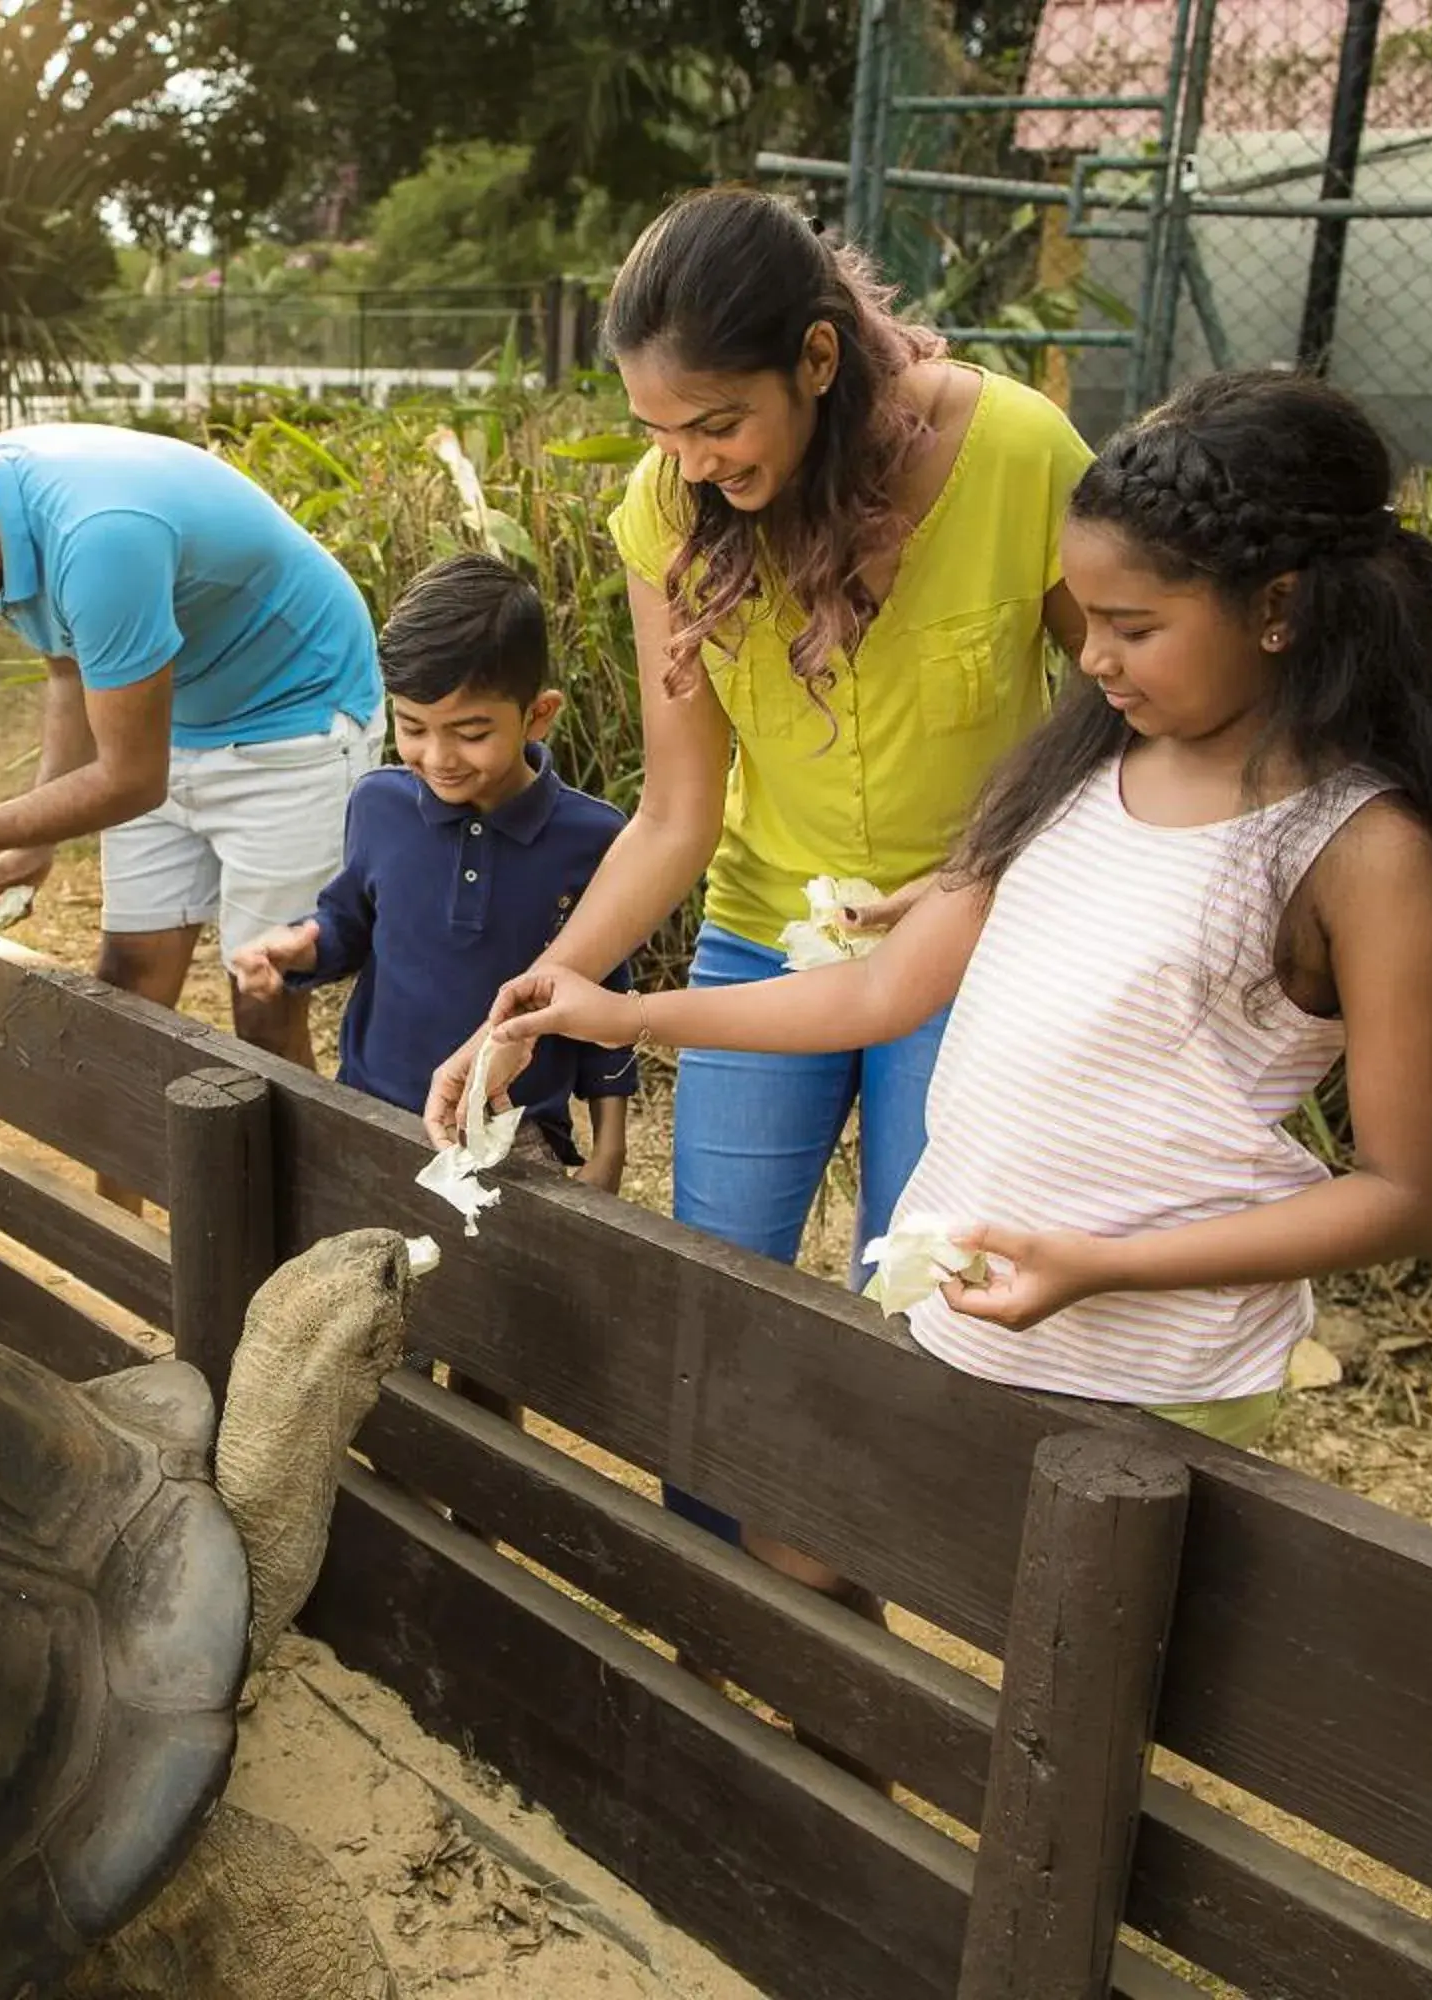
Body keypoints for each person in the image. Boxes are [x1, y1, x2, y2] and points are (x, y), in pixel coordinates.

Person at [474, 369, 1432, 1449]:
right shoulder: (1085, 762)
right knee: (806, 1547)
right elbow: (884, 989)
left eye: (1132, 625)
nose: (1092, 655)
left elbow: (1414, 1193)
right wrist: (620, 1013)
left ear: (1279, 607)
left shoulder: (1367, 855)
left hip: (1149, 1372)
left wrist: (1101, 1267)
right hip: (967, 1312)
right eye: (1091, 617)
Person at [422, 185, 1094, 1582]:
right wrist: (549, 992)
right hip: (757, 935)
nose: (691, 463)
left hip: (978, 950)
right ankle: (718, 1623)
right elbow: (678, 812)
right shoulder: (666, 507)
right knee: (710, 1301)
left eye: (717, 424)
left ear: (820, 359)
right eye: (661, 431)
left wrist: (1011, 871)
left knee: (908, 1317)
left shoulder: (1021, 453)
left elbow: (1122, 707)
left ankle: (858, 1630)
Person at [0, 386, 383, 1101]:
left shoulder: (98, 534)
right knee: (127, 985)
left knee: (262, 1004)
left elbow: (131, 780)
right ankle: (112, 1215)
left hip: (295, 720)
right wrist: (38, 829)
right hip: (175, 717)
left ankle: (303, 1217)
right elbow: (68, 663)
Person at [230, 552, 637, 1422]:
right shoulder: (379, 802)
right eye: (412, 725)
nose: (436, 755)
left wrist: (609, 1145)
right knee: (379, 1335)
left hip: (517, 1143)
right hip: (377, 1115)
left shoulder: (594, 841)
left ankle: (473, 1532)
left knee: (496, 1348)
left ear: (538, 714)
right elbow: (349, 925)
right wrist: (299, 948)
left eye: (469, 731)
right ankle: (399, 1504)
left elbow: (609, 996)